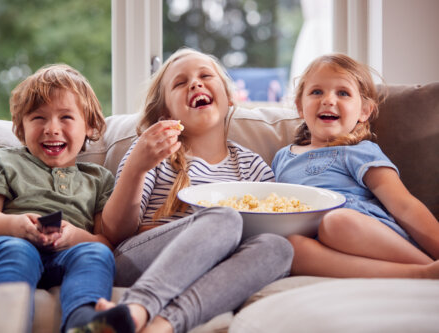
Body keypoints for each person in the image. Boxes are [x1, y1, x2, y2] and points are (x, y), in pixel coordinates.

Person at [96, 48, 294, 333]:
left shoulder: (251, 166)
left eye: (205, 76)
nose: (195, 84)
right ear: (166, 112)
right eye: (180, 83)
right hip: (142, 261)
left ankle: (162, 325)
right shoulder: (153, 154)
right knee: (224, 218)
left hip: (219, 267)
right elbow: (115, 231)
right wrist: (137, 168)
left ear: (229, 97)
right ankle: (136, 308)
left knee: (279, 248)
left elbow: (268, 229)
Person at [0, 64, 135, 333]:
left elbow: (105, 240)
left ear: (89, 126)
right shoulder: (4, 161)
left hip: (64, 256)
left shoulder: (98, 178)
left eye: (65, 117)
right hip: (1, 250)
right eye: (38, 118)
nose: (51, 129)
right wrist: (15, 226)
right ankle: (4, 323)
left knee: (96, 253)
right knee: (16, 250)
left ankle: (82, 319)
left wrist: (74, 236)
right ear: (21, 128)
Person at [271, 53, 439, 279]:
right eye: (317, 92)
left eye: (343, 93)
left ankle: (429, 265)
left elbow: (404, 205)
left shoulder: (359, 152)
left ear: (364, 111)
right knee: (289, 248)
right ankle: (419, 273)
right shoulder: (283, 157)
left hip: (363, 231)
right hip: (320, 244)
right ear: (300, 107)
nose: (328, 100)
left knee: (336, 221)